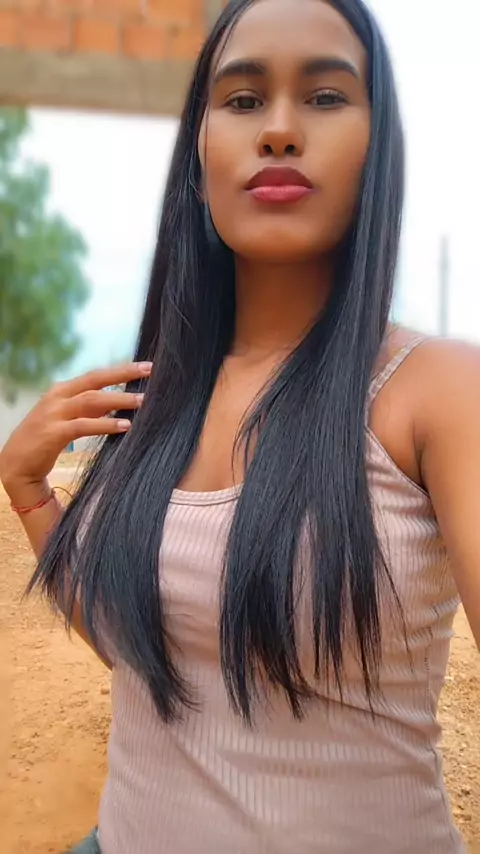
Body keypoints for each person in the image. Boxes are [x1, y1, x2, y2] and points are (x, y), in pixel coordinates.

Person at [1, 0, 479, 851]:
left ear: (379, 152)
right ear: (199, 161)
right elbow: (147, 654)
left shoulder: (438, 391)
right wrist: (30, 489)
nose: (280, 130)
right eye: (244, 99)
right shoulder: (157, 395)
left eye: (326, 96)